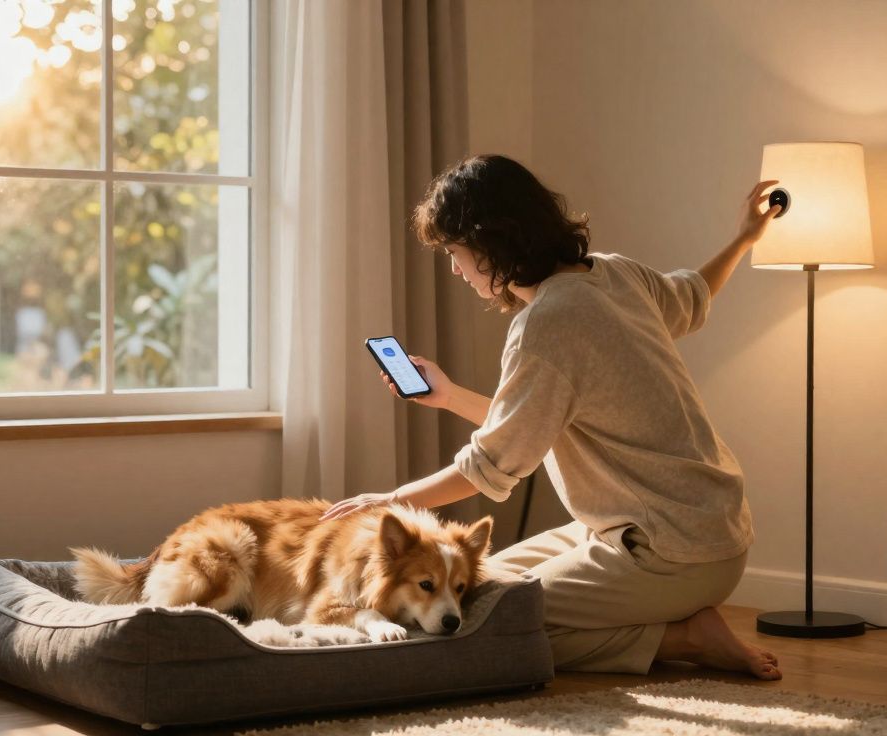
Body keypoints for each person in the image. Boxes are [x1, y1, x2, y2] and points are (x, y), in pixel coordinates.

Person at [321, 154, 782, 680]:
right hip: (691, 530)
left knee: (486, 622)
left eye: (456, 251)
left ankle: (687, 637)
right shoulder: (615, 274)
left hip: (667, 550)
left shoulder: (546, 324)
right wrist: (745, 238)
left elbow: (488, 469)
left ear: (491, 242)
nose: (454, 268)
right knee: (469, 584)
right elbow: (693, 297)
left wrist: (391, 501)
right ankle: (678, 625)